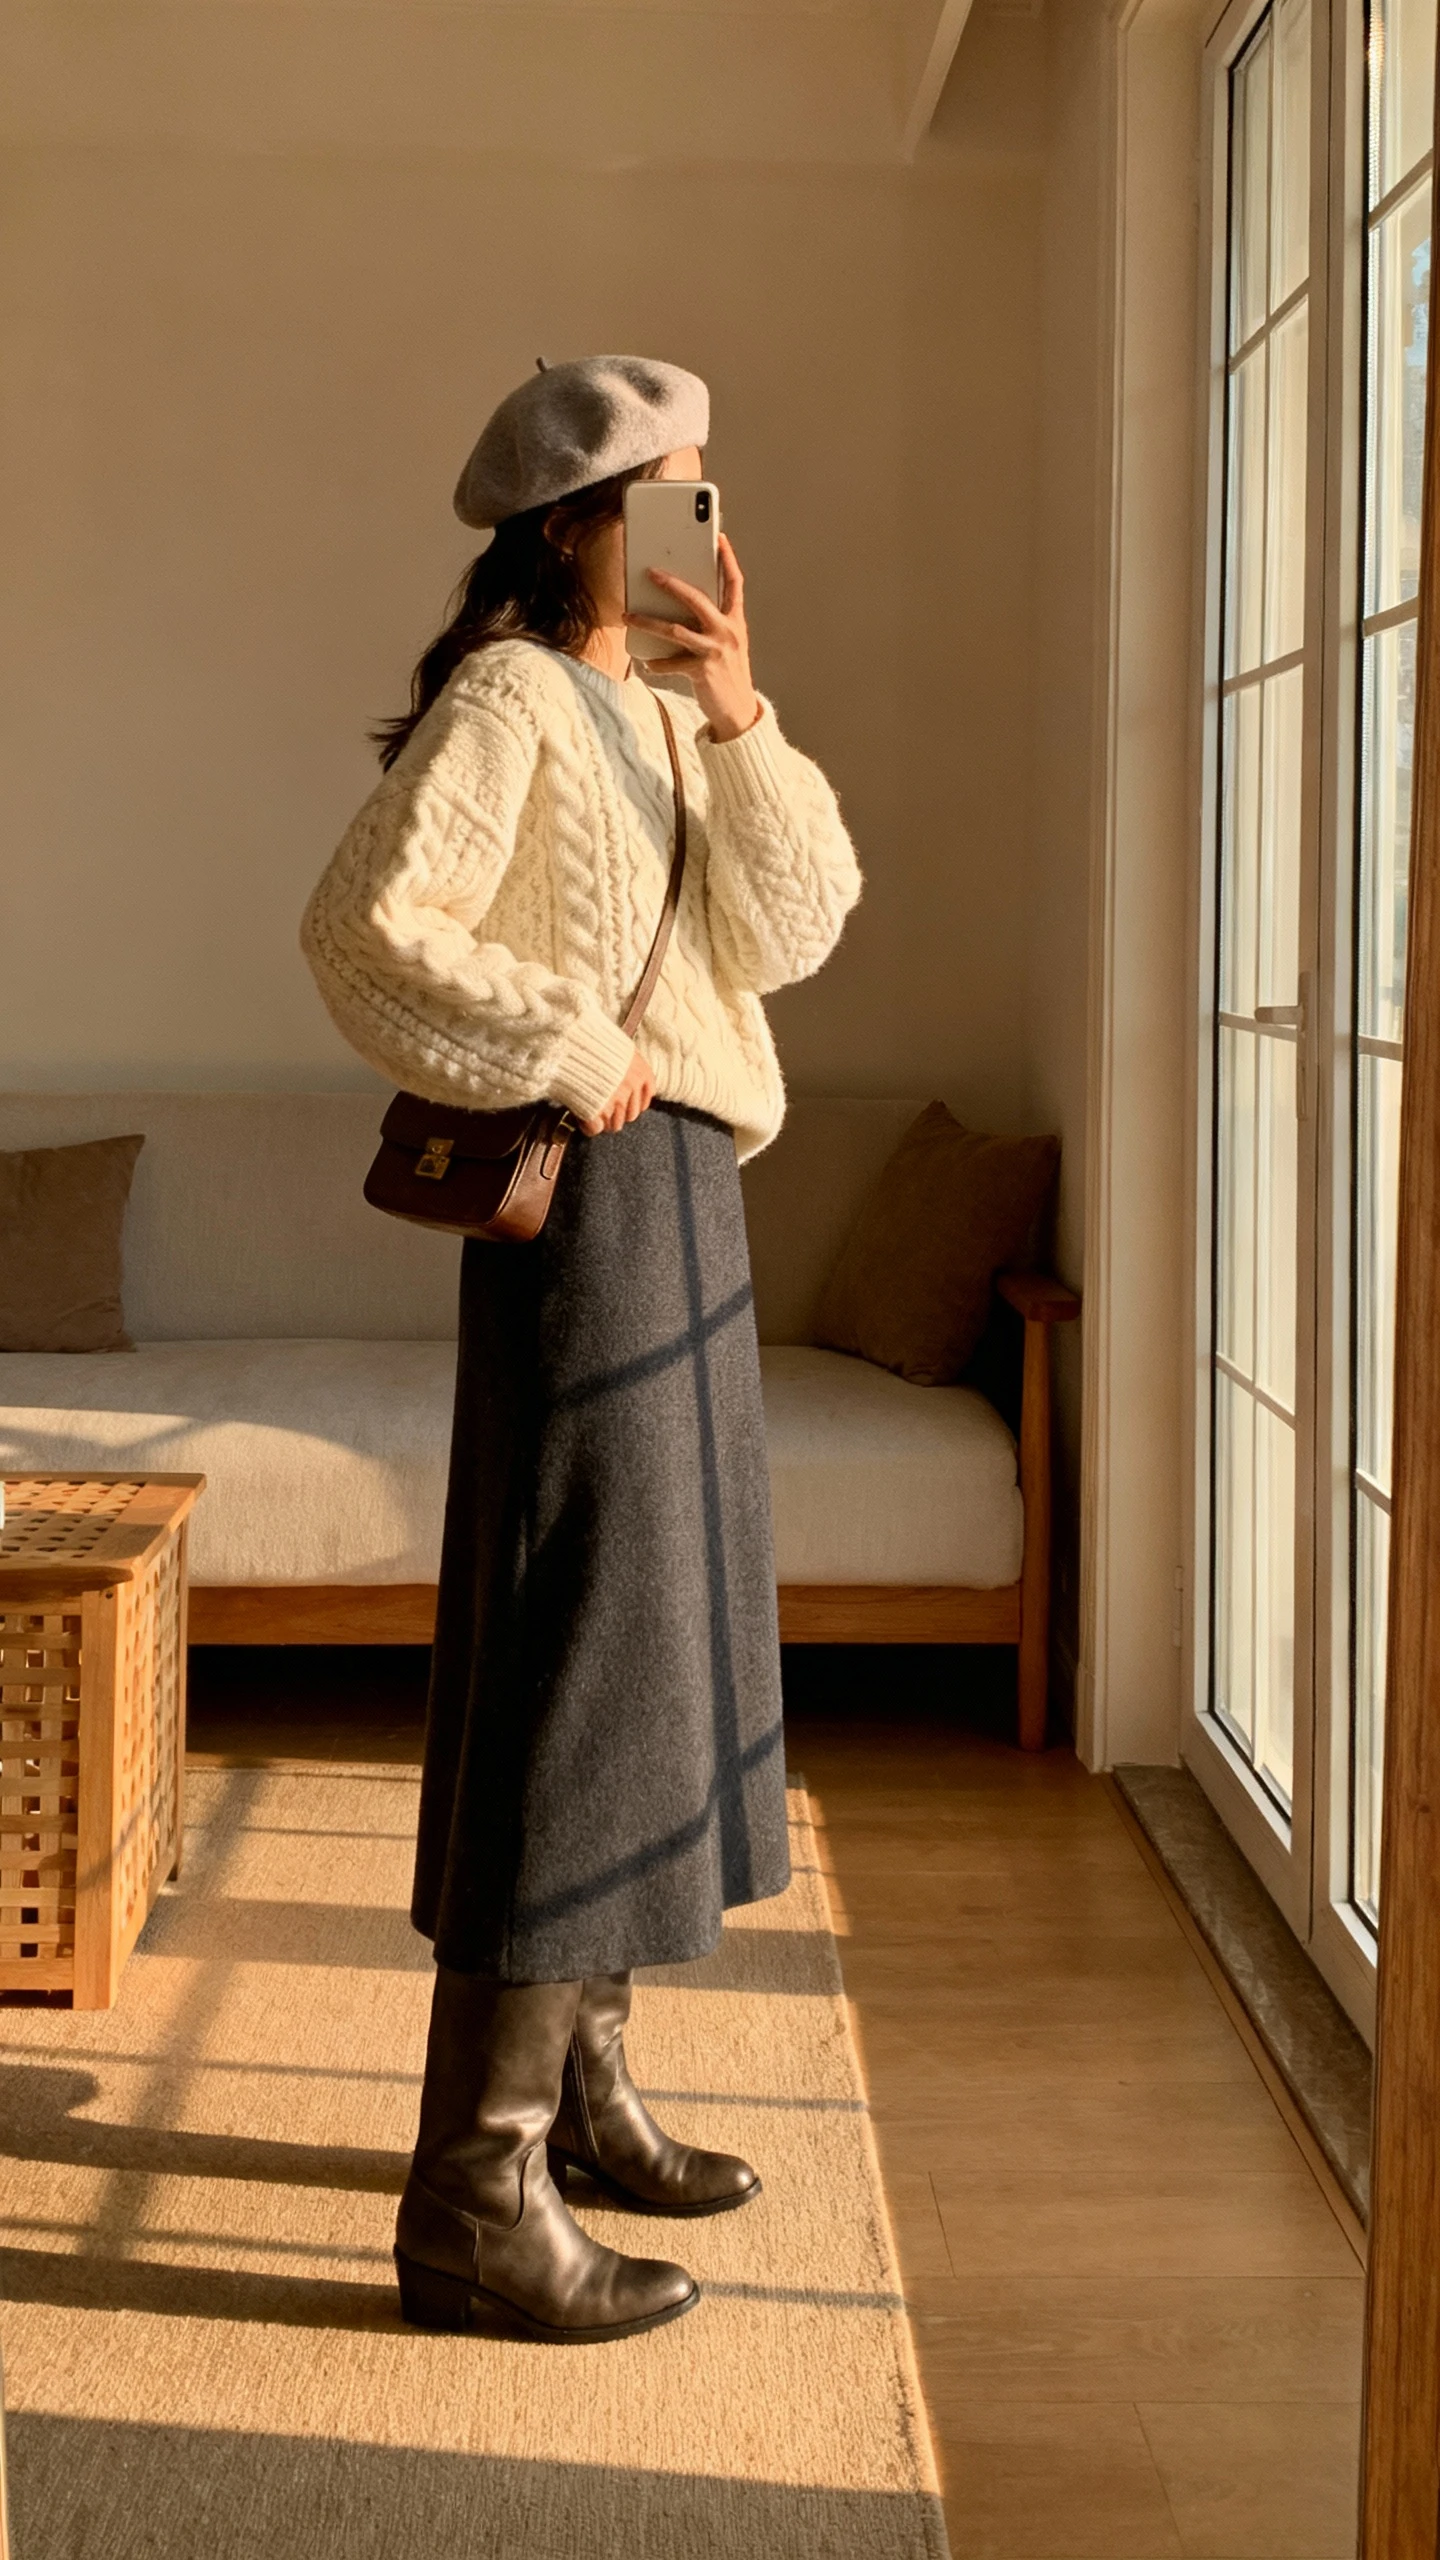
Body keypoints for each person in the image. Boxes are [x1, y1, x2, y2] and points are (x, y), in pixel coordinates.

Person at [302, 354, 861, 2344]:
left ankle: (585, 2098)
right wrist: (575, 1042)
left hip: (692, 1199)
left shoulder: (651, 709)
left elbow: (795, 933)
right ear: (579, 516)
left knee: (658, 1646)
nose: (710, 517)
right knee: (587, 1656)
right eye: (678, 488)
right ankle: (472, 2198)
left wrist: (741, 711)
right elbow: (364, 924)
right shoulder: (518, 698)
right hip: (600, 1200)